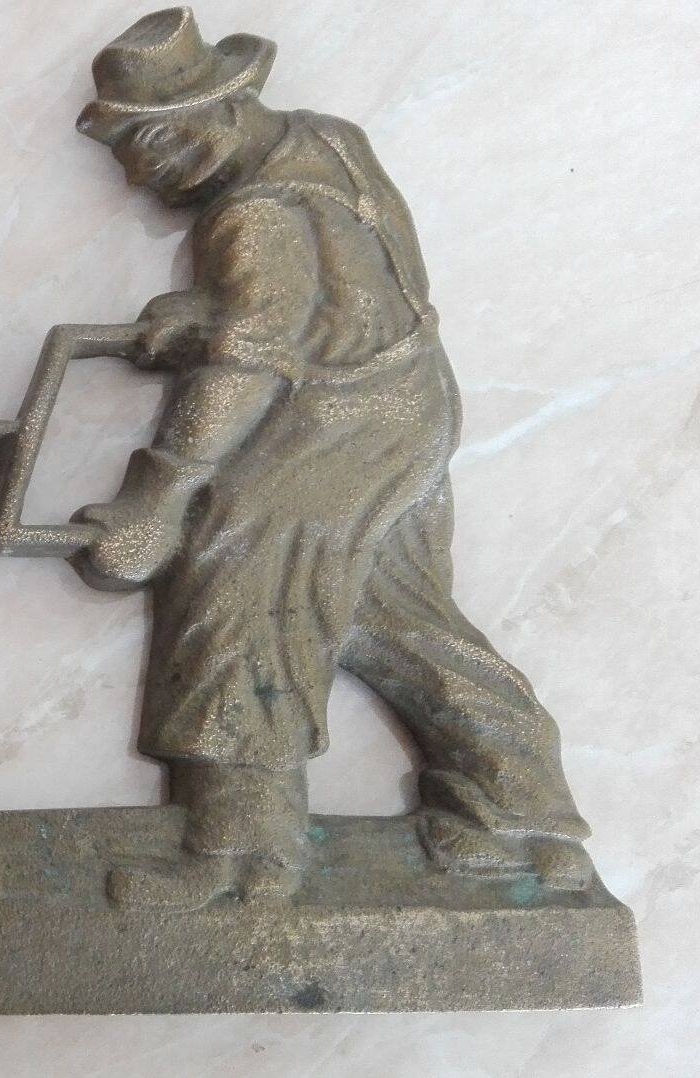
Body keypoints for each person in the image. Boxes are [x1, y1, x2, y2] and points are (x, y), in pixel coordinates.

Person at [68, 8, 593, 909]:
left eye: (148, 143)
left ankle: (242, 857)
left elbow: (249, 365)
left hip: (335, 424)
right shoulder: (328, 141)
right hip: (407, 401)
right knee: (389, 613)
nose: (139, 174)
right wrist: (214, 316)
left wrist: (158, 498)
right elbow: (340, 288)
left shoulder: (253, 214)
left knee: (235, 587)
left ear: (223, 110)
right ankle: (525, 817)